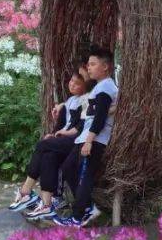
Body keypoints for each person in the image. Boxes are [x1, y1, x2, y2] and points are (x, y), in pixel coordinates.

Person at [52, 47, 118, 227]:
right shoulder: (102, 87)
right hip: (84, 137)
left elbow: (100, 118)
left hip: (94, 140)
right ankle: (88, 207)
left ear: (105, 67)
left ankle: (77, 217)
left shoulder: (105, 87)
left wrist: (89, 141)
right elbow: (102, 111)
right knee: (67, 167)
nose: (88, 68)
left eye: (93, 64)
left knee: (86, 176)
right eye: (88, 64)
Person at [11, 71, 89, 217]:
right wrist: (53, 134)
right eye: (71, 81)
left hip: (75, 141)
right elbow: (61, 124)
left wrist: (62, 134)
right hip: (63, 139)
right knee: (48, 155)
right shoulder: (71, 101)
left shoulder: (86, 101)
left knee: (42, 145)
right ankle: (46, 204)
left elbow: (80, 127)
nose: (72, 84)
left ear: (85, 86)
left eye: (77, 83)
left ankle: (26, 191)